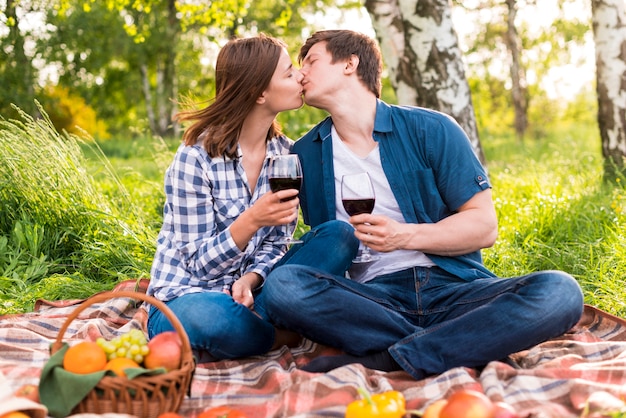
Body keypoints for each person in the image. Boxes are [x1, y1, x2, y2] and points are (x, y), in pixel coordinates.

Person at [258, 30, 584, 380]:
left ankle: (389, 358)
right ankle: (460, 345)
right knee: (285, 286)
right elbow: (285, 239)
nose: (301, 73)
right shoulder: (304, 153)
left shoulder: (432, 129)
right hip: (371, 302)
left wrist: (404, 237)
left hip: (454, 291)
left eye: (311, 61)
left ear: (350, 64)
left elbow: (484, 226)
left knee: (560, 292)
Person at [146, 34, 307, 360]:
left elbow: (278, 245)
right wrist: (251, 220)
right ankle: (278, 334)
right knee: (213, 317)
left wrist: (249, 281)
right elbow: (199, 266)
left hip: (255, 293)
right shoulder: (196, 157)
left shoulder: (286, 155)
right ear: (259, 93)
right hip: (189, 295)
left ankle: (252, 327)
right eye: (289, 73)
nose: (301, 76)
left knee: (336, 239)